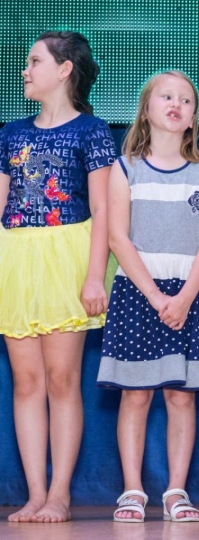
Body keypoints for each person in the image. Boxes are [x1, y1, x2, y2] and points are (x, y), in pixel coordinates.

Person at [98, 71, 199, 523]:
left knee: (180, 396)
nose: (176, 104)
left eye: (186, 100)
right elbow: (117, 237)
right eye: (166, 97)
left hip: (188, 295)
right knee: (135, 395)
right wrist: (154, 296)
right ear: (147, 110)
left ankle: (175, 491)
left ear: (193, 118)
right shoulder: (125, 168)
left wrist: (186, 297)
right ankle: (132, 490)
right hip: (139, 293)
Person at [0, 31, 115, 523]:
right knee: (26, 381)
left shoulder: (92, 130)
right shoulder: (11, 133)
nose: (25, 70)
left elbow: (103, 210)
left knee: (62, 379)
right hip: (16, 259)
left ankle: (60, 494)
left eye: (34, 61)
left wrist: (94, 277)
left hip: (67, 256)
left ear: (65, 70)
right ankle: (34, 493)